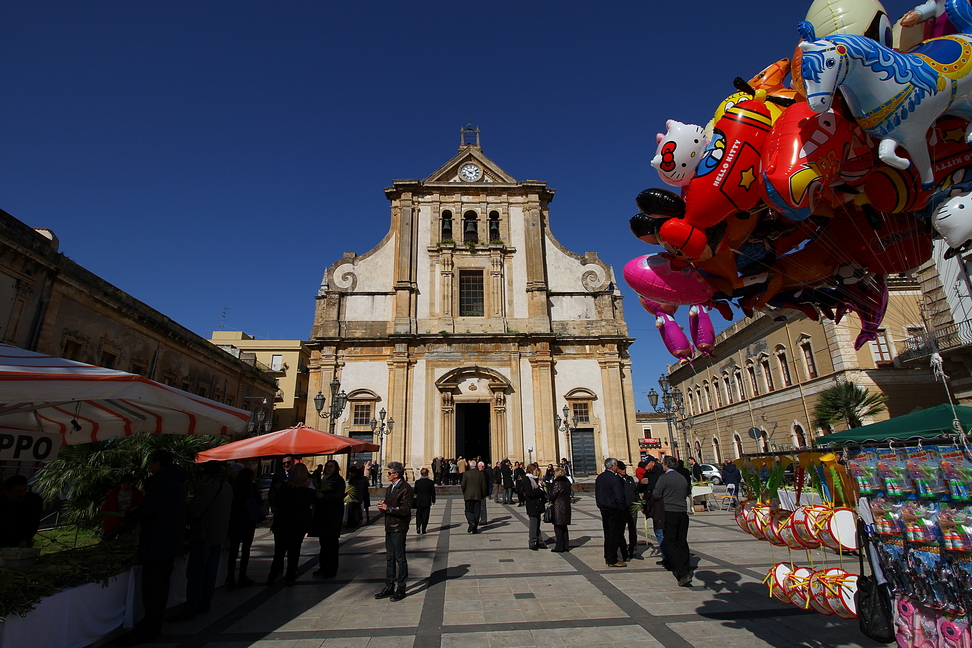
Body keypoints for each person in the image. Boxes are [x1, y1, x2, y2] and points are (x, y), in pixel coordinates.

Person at [124, 450, 188, 644]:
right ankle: (154, 624)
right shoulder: (179, 482)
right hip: (171, 541)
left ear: (158, 464)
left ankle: (149, 627)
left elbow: (150, 508)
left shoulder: (160, 482)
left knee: (152, 588)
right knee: (161, 586)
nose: (149, 466)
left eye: (151, 463)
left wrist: (129, 517)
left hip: (156, 542)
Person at [178, 460, 233, 621]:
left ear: (207, 474)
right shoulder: (227, 487)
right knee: (210, 574)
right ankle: (205, 604)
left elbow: (194, 511)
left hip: (204, 536)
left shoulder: (210, 487)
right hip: (218, 536)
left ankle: (191, 608)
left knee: (197, 574)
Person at [268, 462, 316, 586]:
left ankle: (272, 577)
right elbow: (313, 502)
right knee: (294, 552)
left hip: (282, 523)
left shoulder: (282, 487)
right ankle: (290, 577)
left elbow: (276, 503)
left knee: (279, 552)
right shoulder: (308, 491)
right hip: (299, 524)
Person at [375, 461, 413, 602]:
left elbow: (405, 509)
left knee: (400, 559)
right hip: (389, 526)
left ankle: (401, 588)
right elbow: (389, 504)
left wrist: (388, 508)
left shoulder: (406, 488)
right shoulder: (390, 488)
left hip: (399, 527)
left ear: (396, 474)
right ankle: (389, 586)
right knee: (389, 559)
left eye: (389, 472)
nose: (387, 475)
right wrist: (383, 506)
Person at [653, 456, 693, 587]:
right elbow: (687, 492)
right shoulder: (682, 477)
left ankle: (682, 573)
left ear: (666, 465)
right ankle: (686, 567)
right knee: (682, 540)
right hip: (683, 512)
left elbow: (656, 494)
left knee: (670, 541)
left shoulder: (664, 478)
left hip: (670, 512)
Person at [226, 467, 261, 590]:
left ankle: (230, 577)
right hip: (248, 521)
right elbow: (259, 501)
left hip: (235, 521)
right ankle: (242, 576)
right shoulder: (252, 487)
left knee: (233, 551)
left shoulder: (233, 487)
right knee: (246, 550)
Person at [312, 459, 345, 579]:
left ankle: (331, 569)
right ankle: (323, 566)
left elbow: (338, 496)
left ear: (336, 468)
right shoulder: (324, 480)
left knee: (331, 544)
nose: (328, 468)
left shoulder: (338, 480)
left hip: (332, 516)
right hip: (323, 516)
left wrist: (324, 496)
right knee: (324, 543)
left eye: (331, 466)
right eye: (327, 466)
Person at [595, 457, 627, 568]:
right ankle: (612, 559)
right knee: (614, 534)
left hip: (604, 509)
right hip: (614, 509)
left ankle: (607, 556)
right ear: (612, 466)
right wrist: (622, 508)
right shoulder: (615, 479)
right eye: (616, 465)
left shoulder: (600, 477)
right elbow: (619, 495)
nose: (617, 467)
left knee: (607, 534)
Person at [98, 474, 143, 541]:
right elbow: (104, 510)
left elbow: (140, 509)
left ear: (132, 484)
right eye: (124, 484)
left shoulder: (137, 494)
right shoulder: (113, 494)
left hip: (129, 524)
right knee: (106, 540)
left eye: (129, 483)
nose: (126, 486)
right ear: (120, 484)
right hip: (113, 524)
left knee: (126, 542)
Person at [618, 461, 640, 560]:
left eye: (625, 469)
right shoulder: (616, 480)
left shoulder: (630, 479)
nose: (624, 471)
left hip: (632, 508)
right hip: (622, 509)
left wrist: (639, 502)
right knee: (620, 531)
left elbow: (635, 492)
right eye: (622, 469)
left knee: (633, 530)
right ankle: (622, 552)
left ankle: (633, 550)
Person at [523, 462, 547, 550]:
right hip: (532, 505)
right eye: (536, 470)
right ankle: (532, 541)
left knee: (537, 524)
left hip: (538, 504)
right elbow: (530, 493)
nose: (537, 471)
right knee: (533, 523)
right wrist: (540, 489)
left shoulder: (535, 479)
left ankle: (539, 540)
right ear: (531, 470)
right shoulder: (527, 479)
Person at [547, 467, 572, 552]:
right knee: (564, 527)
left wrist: (549, 496)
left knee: (558, 527)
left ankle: (559, 546)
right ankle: (566, 545)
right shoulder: (567, 482)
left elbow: (553, 495)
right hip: (566, 506)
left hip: (558, 507)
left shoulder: (557, 482)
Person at [460, 459, 487, 533]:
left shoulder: (466, 474)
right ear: (476, 466)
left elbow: (463, 485)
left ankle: (472, 522)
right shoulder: (480, 474)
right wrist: (483, 495)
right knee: (476, 511)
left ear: (469, 466)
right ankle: (474, 529)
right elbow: (483, 486)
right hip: (478, 496)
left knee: (468, 510)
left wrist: (465, 492)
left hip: (468, 496)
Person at [413, 467, 436, 534]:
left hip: (419, 501)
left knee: (418, 514)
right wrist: (433, 500)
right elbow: (432, 492)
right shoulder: (430, 482)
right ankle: (423, 529)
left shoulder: (417, 482)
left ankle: (418, 526)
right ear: (427, 473)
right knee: (426, 515)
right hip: (427, 501)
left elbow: (415, 491)